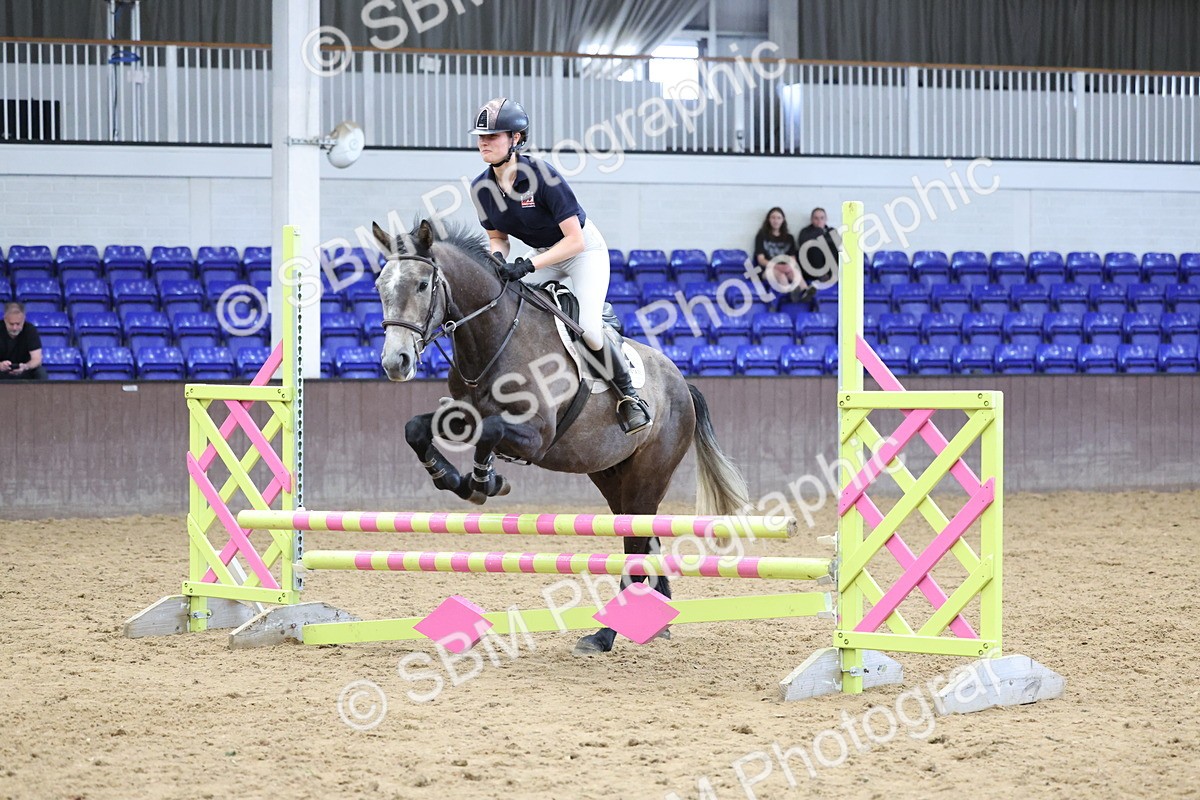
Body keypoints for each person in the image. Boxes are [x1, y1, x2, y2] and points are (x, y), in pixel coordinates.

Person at [468, 97, 651, 435]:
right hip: (542, 255)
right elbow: (499, 239)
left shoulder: (542, 176)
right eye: (481, 136)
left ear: (517, 139)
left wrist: (526, 266)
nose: (484, 142)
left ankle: (629, 397)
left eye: (493, 136)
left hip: (583, 253)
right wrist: (497, 261)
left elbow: (575, 241)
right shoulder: (480, 187)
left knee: (589, 329)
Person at [753, 207, 814, 303]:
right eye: (773, 218)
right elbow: (761, 260)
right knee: (781, 276)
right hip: (768, 270)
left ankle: (805, 291)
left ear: (783, 220)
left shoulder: (789, 238)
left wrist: (789, 266)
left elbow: (792, 259)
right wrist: (778, 266)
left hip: (785, 268)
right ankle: (790, 293)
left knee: (795, 273)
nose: (776, 221)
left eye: (778, 218)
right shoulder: (761, 236)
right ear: (768, 220)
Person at [0, 302, 48, 380]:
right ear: (5, 319)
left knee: (40, 372)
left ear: (23, 319)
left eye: (18, 324)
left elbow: (37, 359)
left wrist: (25, 366)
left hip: (25, 370)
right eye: (11, 324)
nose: (14, 328)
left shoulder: (30, 330)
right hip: (1, 371)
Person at [795, 207, 841, 283]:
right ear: (811, 220)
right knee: (814, 247)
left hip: (830, 263)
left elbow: (838, 244)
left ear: (826, 219)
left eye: (822, 218)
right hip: (812, 265)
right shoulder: (805, 231)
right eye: (816, 218)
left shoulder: (832, 230)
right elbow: (803, 244)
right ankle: (823, 275)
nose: (819, 221)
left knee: (835, 248)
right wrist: (819, 231)